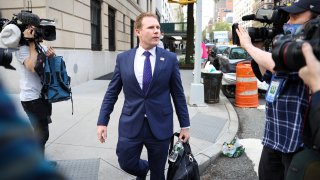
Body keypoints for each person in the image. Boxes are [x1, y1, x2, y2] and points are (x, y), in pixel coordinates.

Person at [97, 12, 190, 180]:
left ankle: (153, 171)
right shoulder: (123, 59)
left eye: (158, 28)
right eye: (151, 27)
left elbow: (178, 94)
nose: (156, 31)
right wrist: (103, 121)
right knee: (126, 161)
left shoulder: (169, 59)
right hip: (131, 122)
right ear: (138, 31)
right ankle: (143, 170)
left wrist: (185, 125)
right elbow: (112, 92)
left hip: (160, 125)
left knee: (158, 173)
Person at [236, 0, 320, 179]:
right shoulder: (286, 46)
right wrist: (258, 48)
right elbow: (268, 75)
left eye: (295, 16)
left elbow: (277, 65)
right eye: (288, 16)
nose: (289, 22)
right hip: (273, 139)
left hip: (297, 145)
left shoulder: (312, 50)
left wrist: (249, 47)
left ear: (315, 20)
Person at [15, 24, 56, 164]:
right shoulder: (22, 50)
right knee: (43, 133)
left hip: (42, 96)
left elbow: (47, 69)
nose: (36, 32)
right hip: (31, 98)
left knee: (41, 132)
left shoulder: (41, 48)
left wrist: (51, 57)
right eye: (31, 29)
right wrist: (31, 43)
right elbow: (32, 67)